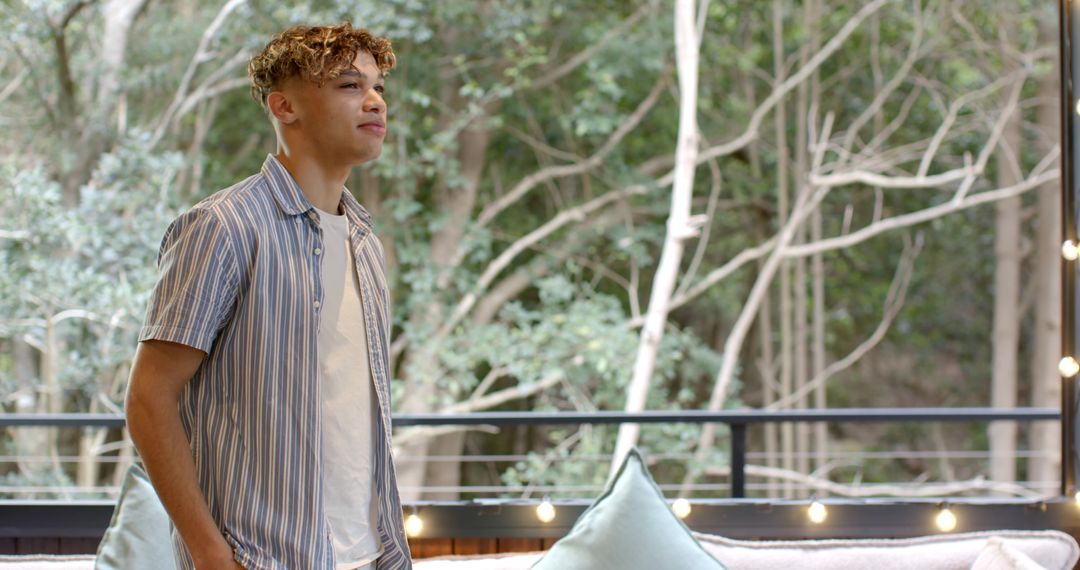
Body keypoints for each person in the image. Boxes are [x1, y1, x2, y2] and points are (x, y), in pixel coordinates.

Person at [125, 22, 411, 570]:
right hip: (262, 560)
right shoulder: (223, 228)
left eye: (378, 87)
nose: (375, 101)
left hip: (371, 556)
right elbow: (147, 399)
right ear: (285, 107)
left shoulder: (365, 242)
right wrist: (208, 553)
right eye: (350, 86)